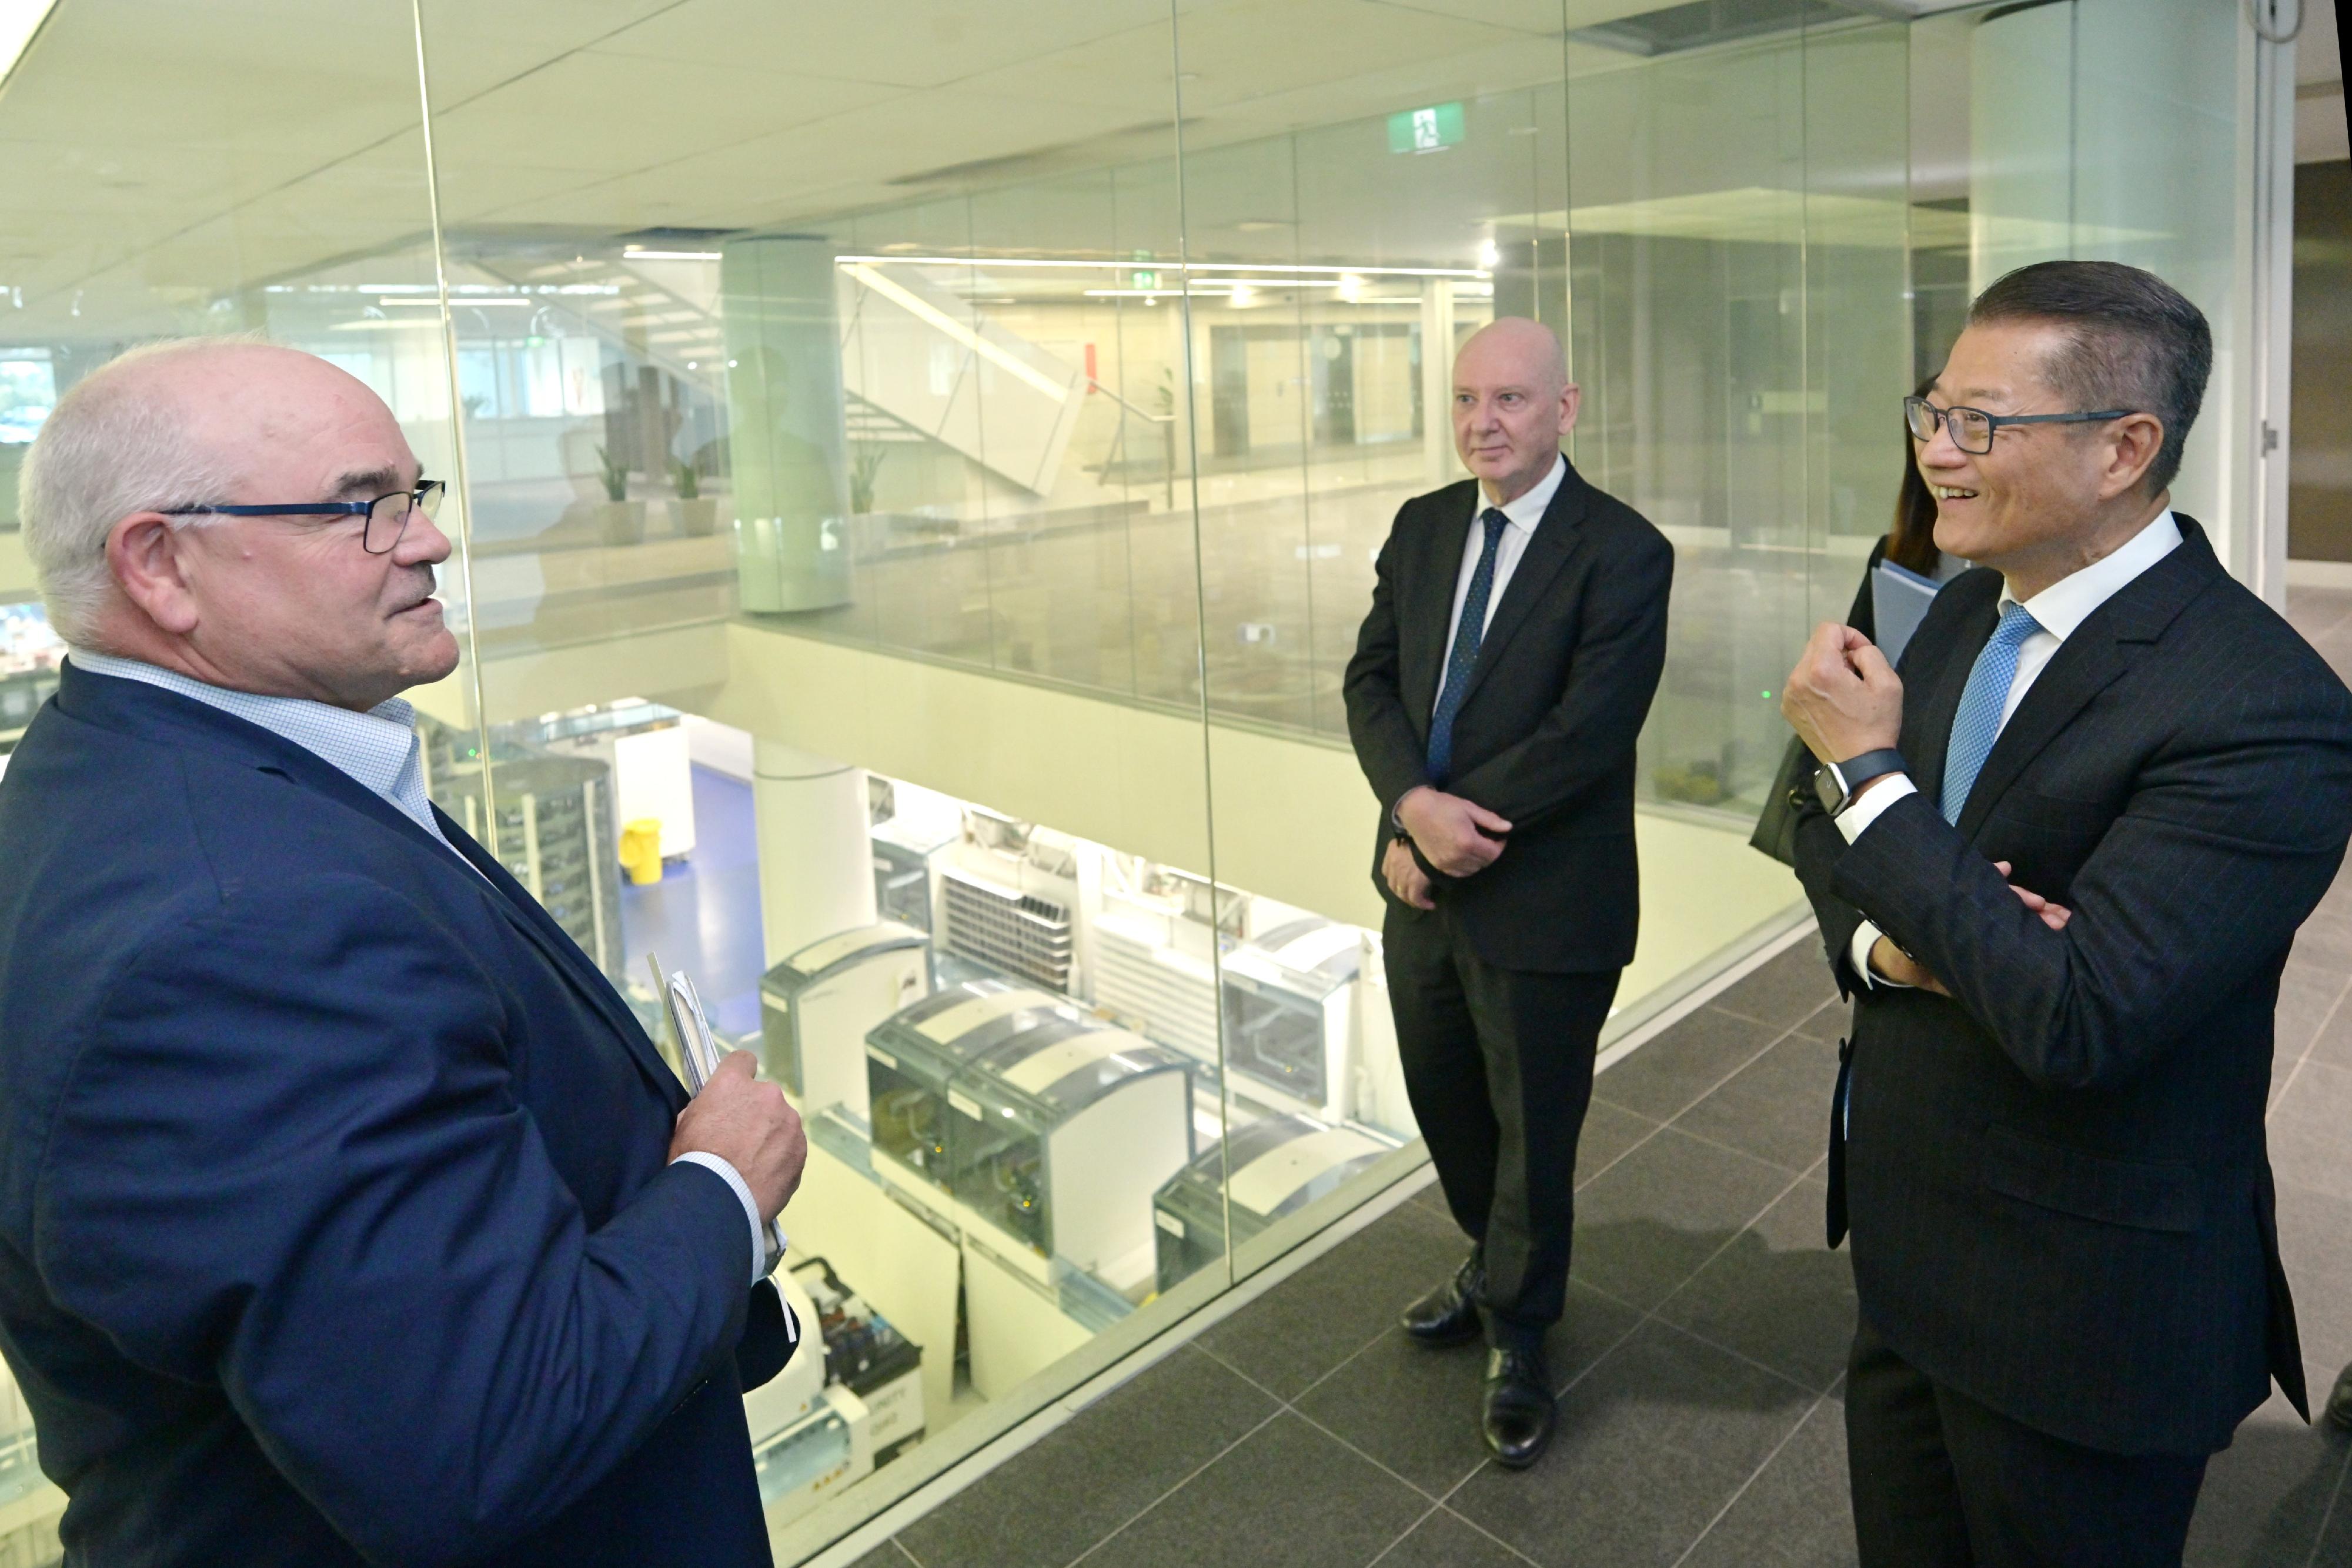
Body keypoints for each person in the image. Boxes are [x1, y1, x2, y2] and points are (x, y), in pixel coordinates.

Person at [0, 340, 808, 1567]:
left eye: (415, 496)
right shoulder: (235, 931)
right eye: (359, 506)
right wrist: (721, 1193)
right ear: (160, 565)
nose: (426, 540)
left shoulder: (145, 778)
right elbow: (485, 1432)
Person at [1780, 261, 2352, 1566]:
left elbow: (2076, 1013)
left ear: (2122, 449)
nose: (1935, 452)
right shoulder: (1964, 609)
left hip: (2082, 1316)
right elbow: (1818, 837)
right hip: (1907, 1251)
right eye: (1930, 411)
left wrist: (1874, 780)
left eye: (1979, 422)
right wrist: (1890, 940)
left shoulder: (2257, 707)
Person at [1343, 316, 1672, 1468]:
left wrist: (1430, 833)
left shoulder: (1623, 551)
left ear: (1564, 408)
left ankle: (1520, 1335)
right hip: (1418, 889)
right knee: (1446, 1105)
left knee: (1533, 1130)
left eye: (1510, 401)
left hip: (1543, 899)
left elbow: (1583, 736)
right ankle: (1492, 1262)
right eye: (1465, 400)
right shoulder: (1424, 525)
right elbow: (1371, 677)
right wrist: (1405, 808)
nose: (1483, 422)